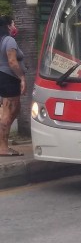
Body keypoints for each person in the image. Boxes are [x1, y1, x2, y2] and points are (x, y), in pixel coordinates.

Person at [0, 15, 26, 157]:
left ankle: (2, 145)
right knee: (8, 113)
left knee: (12, 111)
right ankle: (3, 148)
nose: (15, 26)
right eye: (13, 23)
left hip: (4, 77)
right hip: (9, 78)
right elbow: (12, 62)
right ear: (9, 26)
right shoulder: (9, 40)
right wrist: (22, 77)